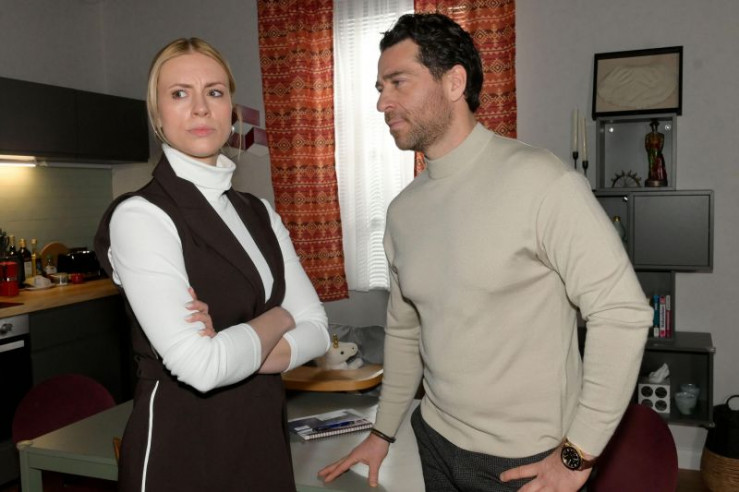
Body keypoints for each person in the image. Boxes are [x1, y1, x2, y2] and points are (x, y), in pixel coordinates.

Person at [319, 13, 652, 491]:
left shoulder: (543, 181)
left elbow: (621, 313)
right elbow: (406, 331)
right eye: (379, 87)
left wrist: (577, 455)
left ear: (454, 82)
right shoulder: (402, 212)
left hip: (528, 462)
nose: (381, 102)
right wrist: (382, 432)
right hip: (434, 440)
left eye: (397, 82)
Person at [94, 37, 330, 491]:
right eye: (179, 93)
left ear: (231, 110)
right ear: (157, 115)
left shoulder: (260, 212)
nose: (200, 107)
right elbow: (202, 370)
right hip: (183, 447)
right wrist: (279, 319)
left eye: (215, 92)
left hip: (262, 438)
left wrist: (227, 346)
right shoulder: (141, 216)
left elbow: (318, 331)